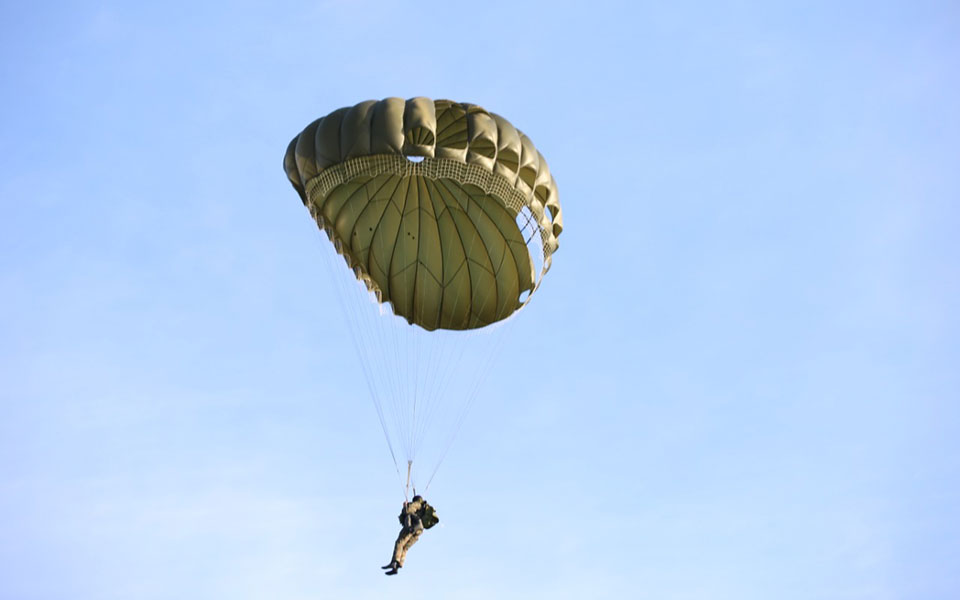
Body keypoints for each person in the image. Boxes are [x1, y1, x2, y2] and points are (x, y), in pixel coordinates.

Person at [382, 495, 438, 575]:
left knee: (399, 542)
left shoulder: (417, 504)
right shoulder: (423, 508)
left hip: (412, 527)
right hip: (419, 530)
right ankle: (398, 565)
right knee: (405, 547)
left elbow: (408, 511)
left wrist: (405, 506)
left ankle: (394, 562)